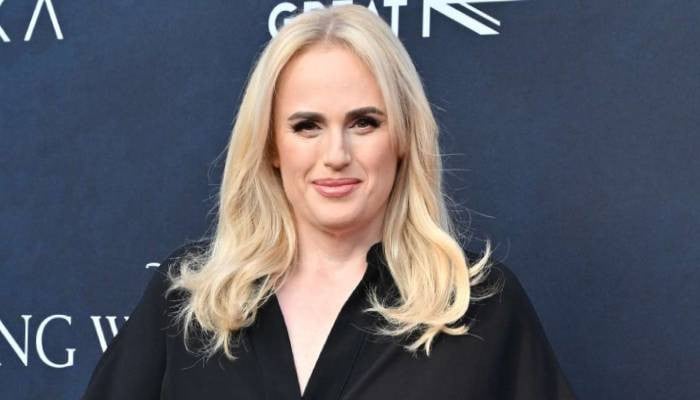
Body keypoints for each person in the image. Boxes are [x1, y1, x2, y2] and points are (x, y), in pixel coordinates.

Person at [82, 4, 576, 399]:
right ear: (271, 146)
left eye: (364, 123)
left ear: (404, 138)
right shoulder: (190, 303)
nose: (336, 155)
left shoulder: (477, 306)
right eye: (307, 126)